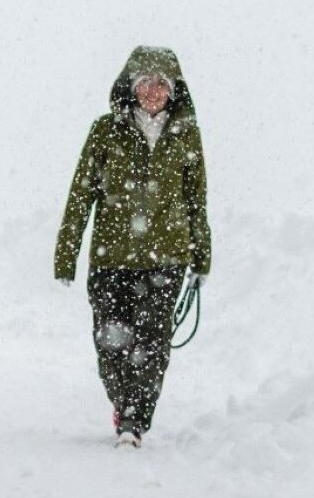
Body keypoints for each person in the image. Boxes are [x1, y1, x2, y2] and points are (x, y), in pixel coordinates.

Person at [54, 46, 212, 448]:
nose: (153, 91)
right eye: (145, 83)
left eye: (162, 83)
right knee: (111, 343)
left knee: (153, 343)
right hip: (112, 258)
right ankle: (121, 401)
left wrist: (201, 257)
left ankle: (133, 421)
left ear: (174, 90)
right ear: (131, 87)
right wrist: (66, 255)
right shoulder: (105, 131)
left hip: (168, 257)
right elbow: (80, 195)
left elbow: (196, 199)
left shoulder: (186, 134)